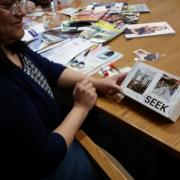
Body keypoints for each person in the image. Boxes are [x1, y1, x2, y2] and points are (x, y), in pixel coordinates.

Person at [0, 0, 126, 179]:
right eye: (7, 6)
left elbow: (50, 69)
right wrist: (80, 108)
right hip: (50, 164)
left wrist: (99, 83)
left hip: (58, 130)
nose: (21, 12)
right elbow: (45, 154)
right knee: (131, 143)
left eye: (18, 2)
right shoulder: (4, 88)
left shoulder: (10, 45)